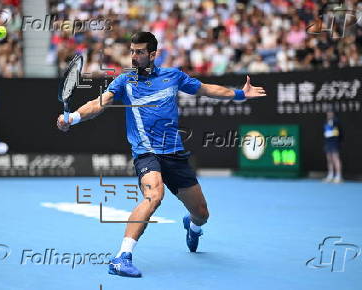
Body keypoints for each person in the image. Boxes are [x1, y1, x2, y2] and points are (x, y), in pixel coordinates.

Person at [56, 32, 266, 277]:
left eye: (139, 52)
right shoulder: (125, 80)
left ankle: (193, 227)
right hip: (146, 153)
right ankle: (121, 257)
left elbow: (206, 89)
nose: (134, 57)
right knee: (154, 195)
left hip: (175, 154)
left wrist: (241, 94)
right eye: (132, 51)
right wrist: (73, 118)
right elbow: (98, 103)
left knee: (201, 213)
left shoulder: (172, 76)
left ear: (153, 54)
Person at [323, 111, 343, 183]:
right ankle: (330, 175)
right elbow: (325, 132)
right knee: (329, 159)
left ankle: (338, 176)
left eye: (330, 113)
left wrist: (334, 136)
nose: (329, 114)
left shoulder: (336, 122)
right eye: (328, 113)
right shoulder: (326, 122)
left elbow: (339, 133)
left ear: (333, 114)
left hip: (335, 143)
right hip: (328, 143)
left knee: (335, 158)